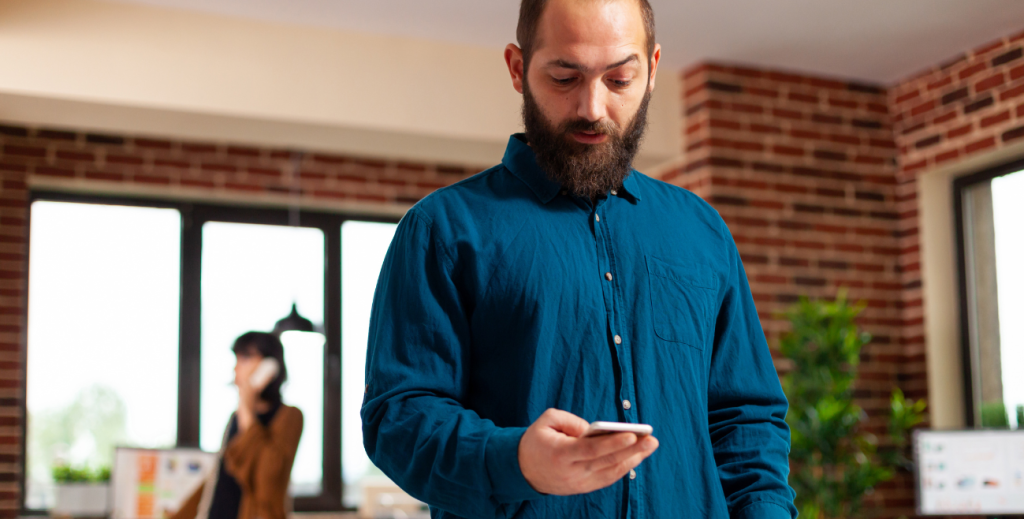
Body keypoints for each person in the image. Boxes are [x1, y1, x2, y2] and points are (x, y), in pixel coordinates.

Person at [361, 0, 797, 517]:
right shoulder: (442, 230)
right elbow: (399, 418)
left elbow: (745, 417)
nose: (592, 108)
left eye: (619, 79)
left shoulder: (702, 231)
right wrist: (515, 460)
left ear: (652, 69)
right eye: (566, 78)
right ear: (519, 69)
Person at [173, 332, 303, 519]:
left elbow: (268, 482)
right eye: (236, 358)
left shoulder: (290, 416)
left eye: (245, 358)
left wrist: (247, 406)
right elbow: (220, 477)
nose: (236, 367)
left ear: (270, 366)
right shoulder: (236, 418)